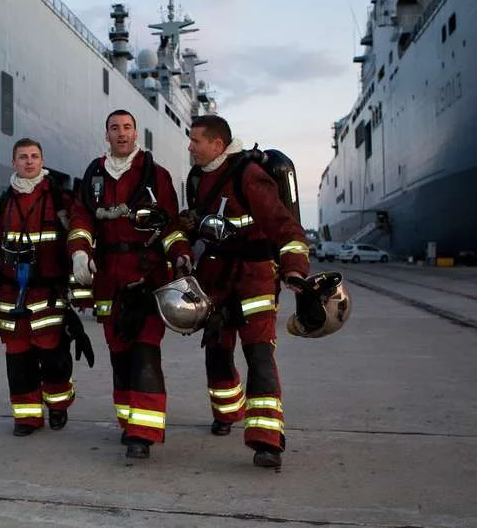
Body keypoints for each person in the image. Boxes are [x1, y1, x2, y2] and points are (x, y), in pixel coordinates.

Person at [183, 115, 310, 468]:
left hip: (253, 280)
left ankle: (267, 441)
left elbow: (286, 229)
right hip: (214, 281)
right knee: (217, 354)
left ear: (217, 145)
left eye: (195, 141)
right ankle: (226, 413)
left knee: (259, 357)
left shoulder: (248, 176)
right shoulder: (198, 178)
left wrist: (295, 270)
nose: (190, 147)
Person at [68, 109, 193, 459]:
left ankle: (144, 432)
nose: (121, 134)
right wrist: (79, 251)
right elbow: (81, 218)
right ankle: (128, 420)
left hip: (147, 274)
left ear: (136, 134)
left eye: (127, 128)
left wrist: (180, 253)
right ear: (106, 135)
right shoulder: (94, 174)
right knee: (119, 352)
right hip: (108, 279)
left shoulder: (156, 176)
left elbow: (169, 225)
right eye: (114, 128)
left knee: (145, 352)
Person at [0, 138, 85, 436]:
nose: (29, 162)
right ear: (14, 162)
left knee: (55, 361)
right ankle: (27, 418)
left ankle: (57, 406)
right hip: (10, 299)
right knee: (18, 363)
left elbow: (76, 247)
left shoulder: (61, 201)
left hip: (50, 298)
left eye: (34, 156)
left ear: (42, 161)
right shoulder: (0, 203)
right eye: (23, 157)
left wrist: (82, 293)